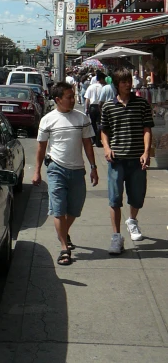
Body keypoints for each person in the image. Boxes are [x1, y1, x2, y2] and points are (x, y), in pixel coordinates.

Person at [33, 81, 98, 266]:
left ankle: (64, 232)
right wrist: (37, 171)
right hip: (56, 169)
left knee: (75, 209)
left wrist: (93, 167)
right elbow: (41, 147)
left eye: (74, 97)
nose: (73, 100)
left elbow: (87, 143)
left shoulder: (82, 118)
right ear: (57, 99)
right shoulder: (47, 120)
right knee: (58, 209)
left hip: (78, 170)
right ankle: (64, 248)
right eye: (69, 97)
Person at [101, 68, 154, 254]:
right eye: (123, 82)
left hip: (137, 159)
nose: (127, 84)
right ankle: (116, 237)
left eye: (129, 81)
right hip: (117, 160)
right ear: (116, 84)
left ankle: (132, 220)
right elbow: (104, 130)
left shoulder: (141, 104)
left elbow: (147, 129)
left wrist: (147, 151)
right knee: (114, 199)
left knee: (137, 197)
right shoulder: (108, 106)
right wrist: (107, 148)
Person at [84, 71, 106, 147]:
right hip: (100, 107)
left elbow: (87, 99)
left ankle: (93, 139)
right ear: (101, 79)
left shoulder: (90, 87)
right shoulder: (103, 88)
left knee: (92, 124)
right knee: (99, 124)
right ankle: (97, 140)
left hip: (92, 107)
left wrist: (86, 109)